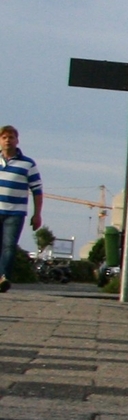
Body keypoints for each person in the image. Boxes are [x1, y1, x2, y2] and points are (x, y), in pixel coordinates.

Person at [0, 126, 40, 294]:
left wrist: (37, 214)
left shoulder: (28, 164)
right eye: (4, 137)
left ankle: (3, 277)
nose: (8, 140)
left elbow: (37, 190)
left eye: (11, 137)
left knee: (9, 246)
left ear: (17, 140)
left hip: (15, 213)